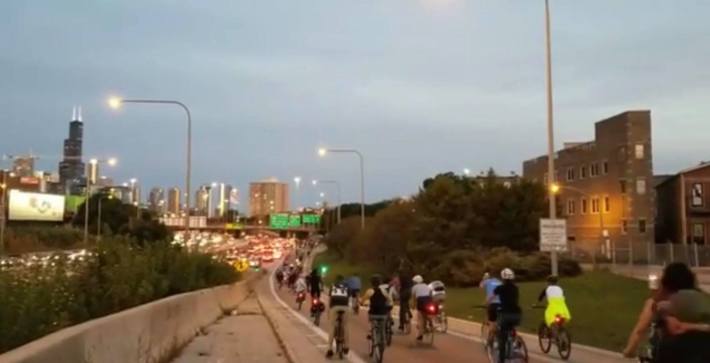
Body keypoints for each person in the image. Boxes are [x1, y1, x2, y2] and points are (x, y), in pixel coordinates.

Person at [492, 268, 522, 363]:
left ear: (502, 278)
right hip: (517, 314)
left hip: (505, 314)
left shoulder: (500, 288)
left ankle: (501, 360)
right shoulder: (516, 288)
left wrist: (488, 304)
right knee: (512, 327)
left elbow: (492, 297)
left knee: (502, 338)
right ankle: (515, 341)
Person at [325, 274, 350, 358]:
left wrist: (328, 310)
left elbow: (330, 299)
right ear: (343, 280)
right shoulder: (347, 286)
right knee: (345, 326)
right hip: (345, 307)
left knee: (332, 326)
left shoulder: (332, 286)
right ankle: (346, 346)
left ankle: (329, 348)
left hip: (335, 307)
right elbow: (349, 299)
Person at [480, 271, 502, 342]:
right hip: (501, 303)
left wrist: (484, 278)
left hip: (492, 303)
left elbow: (481, 286)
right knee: (499, 320)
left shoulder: (488, 281)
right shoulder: (500, 282)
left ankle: (490, 340)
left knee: (491, 321)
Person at [411, 275, 433, 341]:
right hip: (428, 299)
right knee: (426, 314)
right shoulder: (427, 285)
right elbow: (430, 293)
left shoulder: (414, 287)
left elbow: (414, 298)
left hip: (420, 301)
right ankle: (430, 322)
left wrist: (413, 305)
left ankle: (420, 335)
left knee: (420, 317)